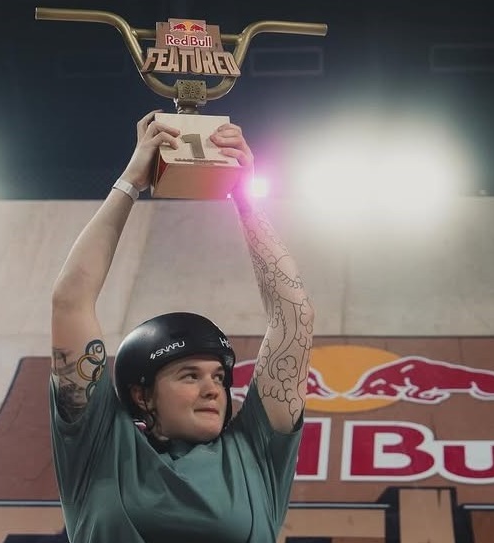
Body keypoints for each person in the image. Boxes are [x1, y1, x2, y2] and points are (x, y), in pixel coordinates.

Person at [50, 110, 315, 543]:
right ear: (142, 395)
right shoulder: (99, 447)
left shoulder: (255, 453)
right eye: (189, 375)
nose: (213, 389)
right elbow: (70, 300)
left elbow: (294, 317)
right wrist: (131, 182)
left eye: (218, 377)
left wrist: (245, 198)